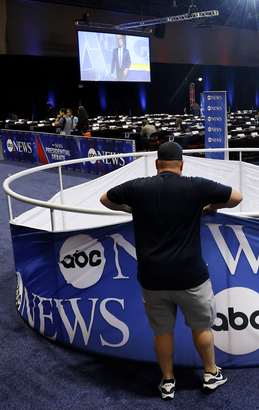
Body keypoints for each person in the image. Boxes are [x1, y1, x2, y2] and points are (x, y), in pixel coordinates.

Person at [99, 142, 243, 400]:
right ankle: (211, 373)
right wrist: (211, 207)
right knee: (201, 327)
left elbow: (105, 200)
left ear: (157, 164)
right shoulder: (196, 185)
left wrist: (129, 208)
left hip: (152, 277)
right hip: (190, 276)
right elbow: (236, 197)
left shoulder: (138, 186)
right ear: (182, 164)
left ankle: (167, 381)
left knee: (162, 332)